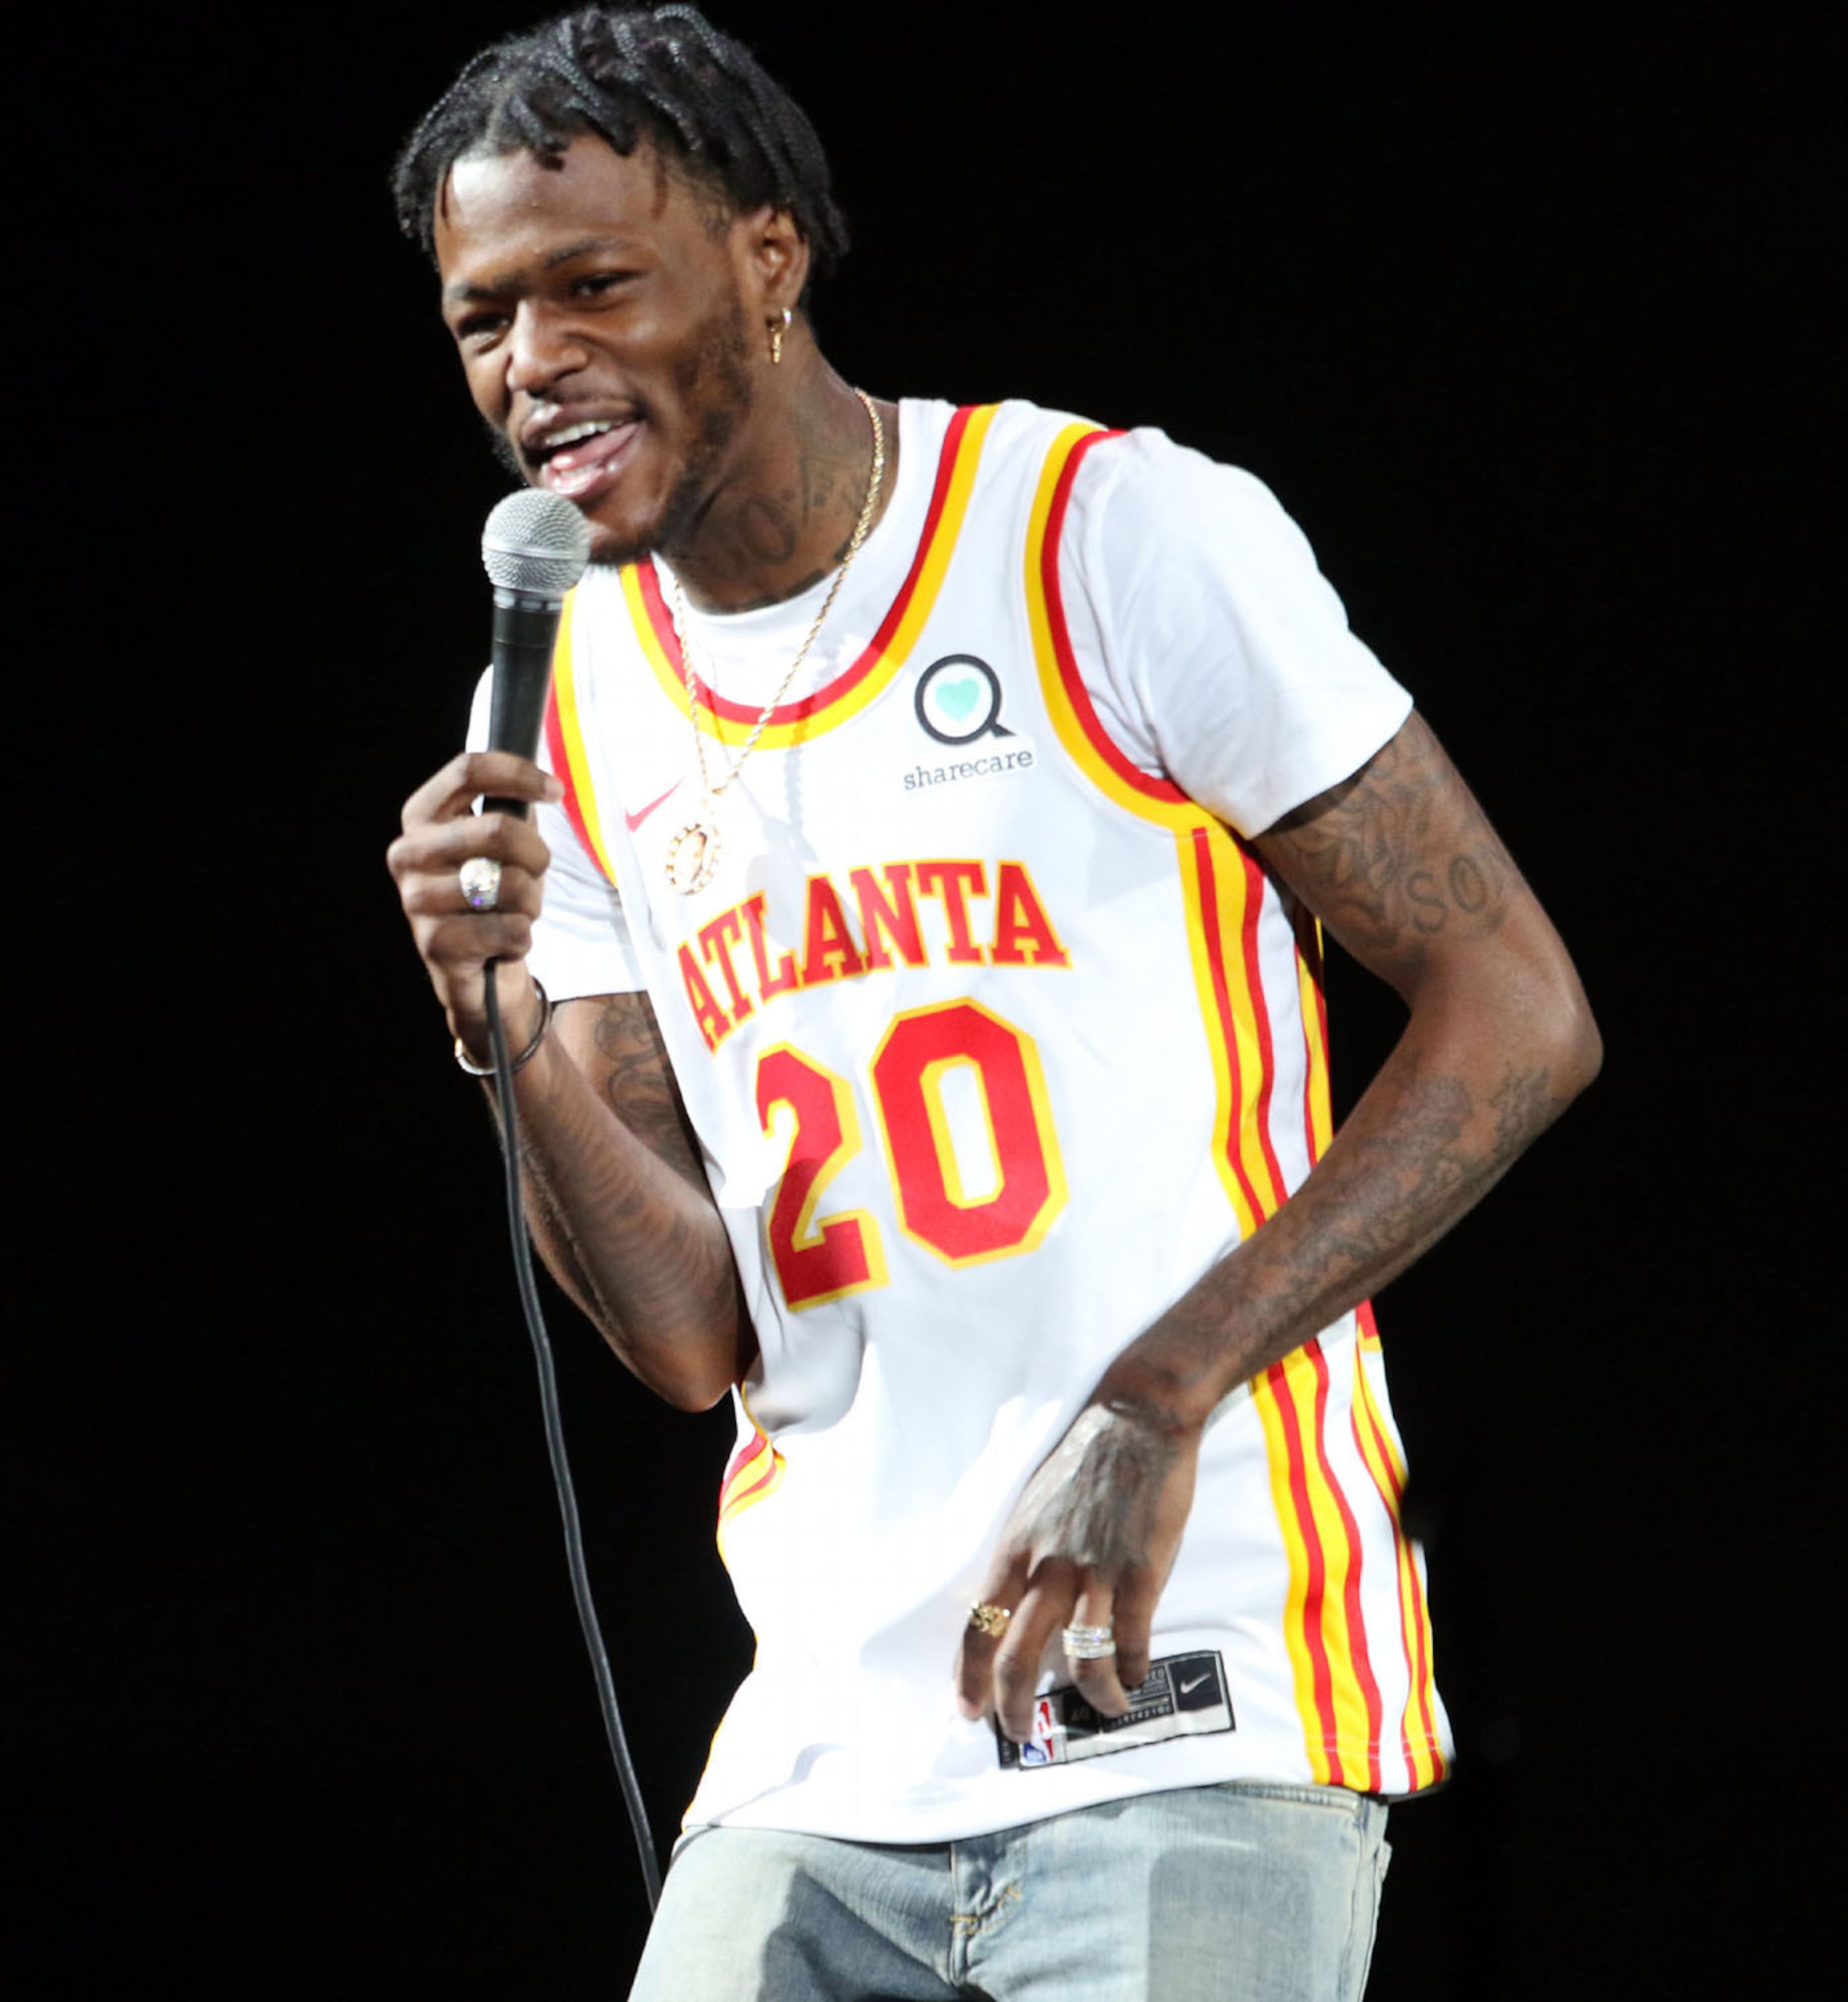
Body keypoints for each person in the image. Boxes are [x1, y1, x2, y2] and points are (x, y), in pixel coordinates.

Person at [385, 9, 1600, 1997]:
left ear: (770, 257)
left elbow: (1519, 1002)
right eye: (480, 320)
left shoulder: (1102, 533)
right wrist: (503, 1026)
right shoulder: (573, 701)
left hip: (1188, 1683)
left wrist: (1160, 1387)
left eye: (592, 286)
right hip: (822, 1742)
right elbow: (691, 1329)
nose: (534, 368)